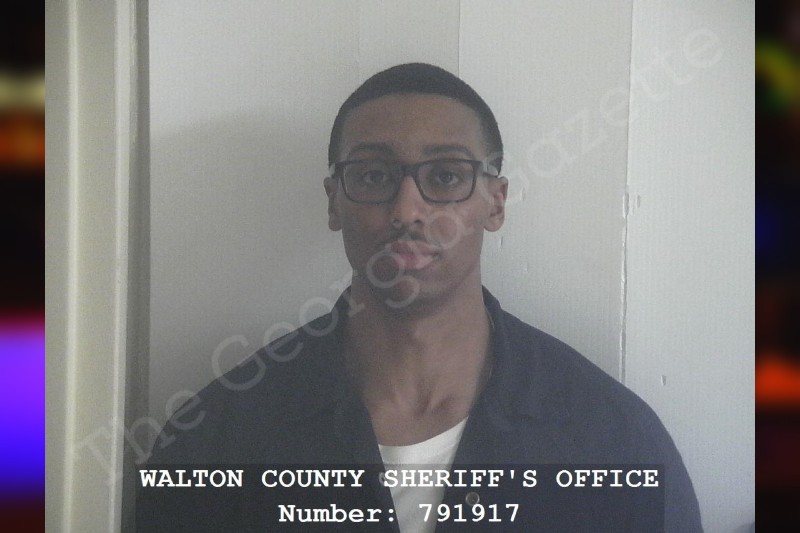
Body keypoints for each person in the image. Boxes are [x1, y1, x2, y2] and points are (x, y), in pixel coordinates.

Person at [138, 63, 702, 532]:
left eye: (447, 176)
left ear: (496, 202)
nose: (407, 209)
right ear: (334, 201)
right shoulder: (215, 441)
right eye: (373, 175)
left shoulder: (614, 441)